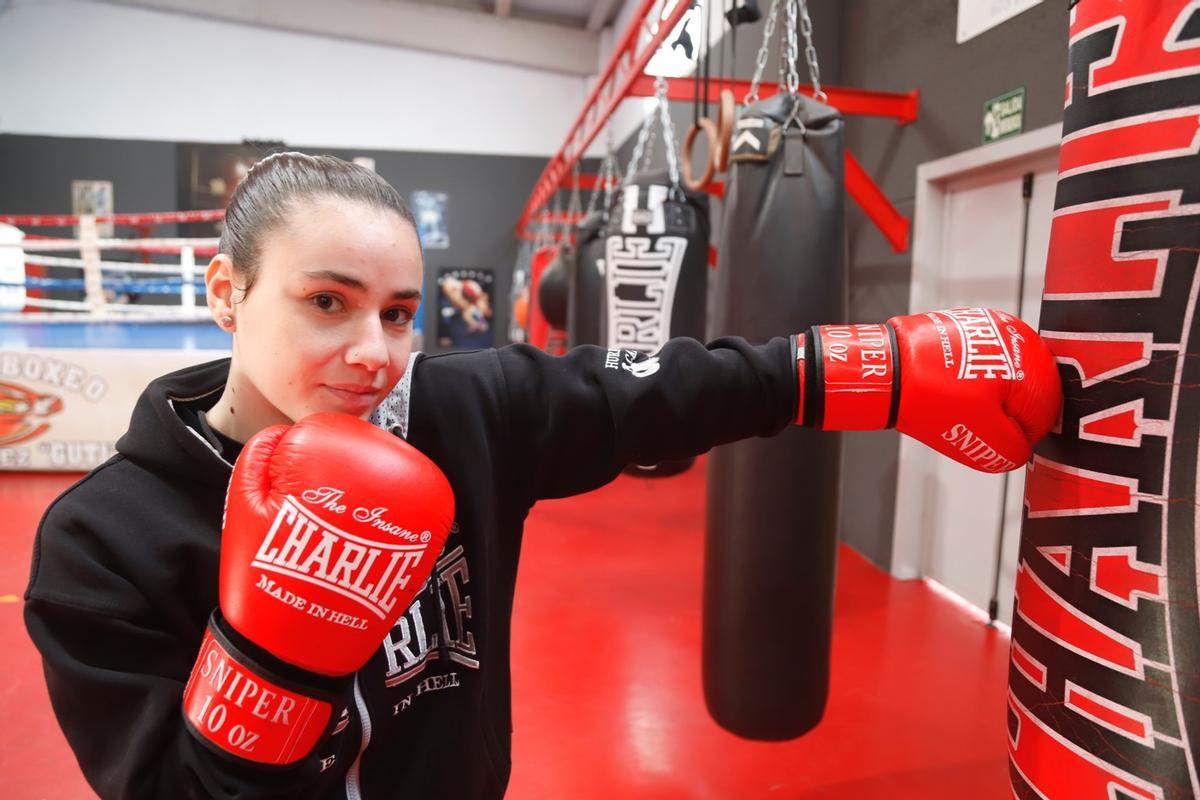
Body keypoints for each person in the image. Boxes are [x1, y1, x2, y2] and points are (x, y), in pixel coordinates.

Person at [24, 152, 1062, 799]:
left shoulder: (461, 408)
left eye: (395, 310)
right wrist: (273, 662)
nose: (374, 350)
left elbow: (656, 391)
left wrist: (863, 371)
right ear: (228, 290)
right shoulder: (101, 539)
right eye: (327, 302)